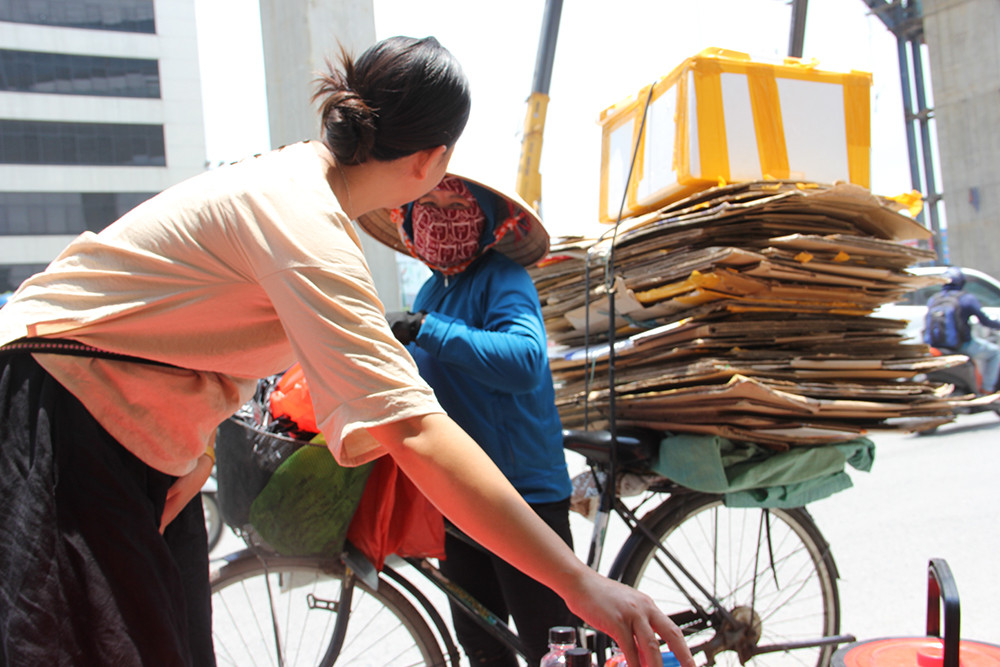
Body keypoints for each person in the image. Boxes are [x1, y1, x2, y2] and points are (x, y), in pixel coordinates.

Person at [0, 35, 692, 667]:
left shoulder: (313, 201)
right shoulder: (305, 221)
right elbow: (413, 425)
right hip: (60, 403)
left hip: (128, 426)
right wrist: (582, 582)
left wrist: (191, 446)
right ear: (433, 161)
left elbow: (184, 329)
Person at [360, 174, 573, 665]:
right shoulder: (431, 292)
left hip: (519, 494)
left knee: (554, 647)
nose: (441, 213)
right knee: (481, 642)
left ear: (488, 220)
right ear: (407, 216)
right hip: (460, 491)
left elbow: (523, 360)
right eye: (427, 203)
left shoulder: (503, 279)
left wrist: (428, 329)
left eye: (457, 202)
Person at [924, 266, 1000, 393]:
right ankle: (987, 389)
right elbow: (985, 320)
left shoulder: (934, 299)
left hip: (935, 346)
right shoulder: (966, 299)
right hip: (961, 345)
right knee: (995, 352)